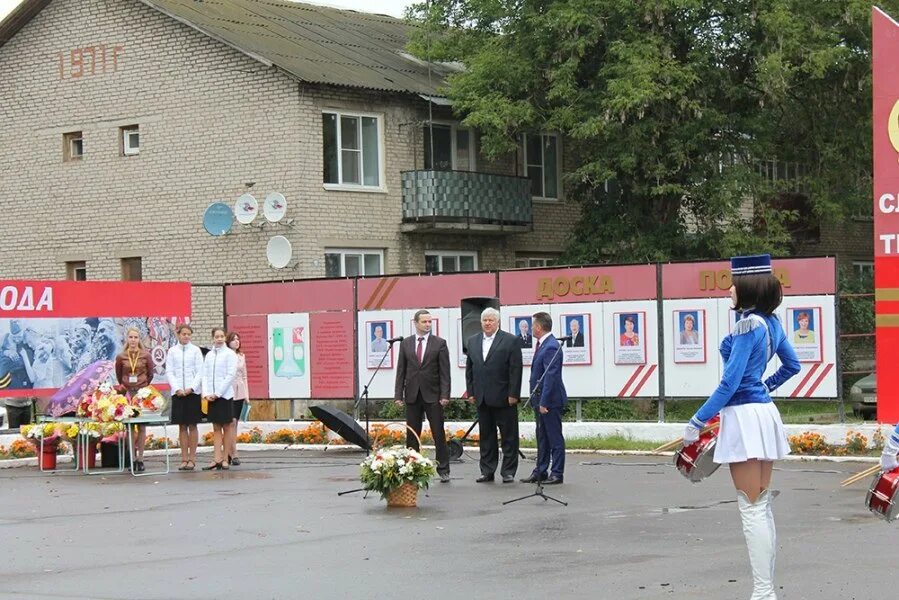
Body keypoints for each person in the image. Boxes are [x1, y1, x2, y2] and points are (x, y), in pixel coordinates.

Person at [682, 254, 800, 600]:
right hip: (762, 414)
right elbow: (793, 365)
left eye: (733, 282)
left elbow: (729, 383)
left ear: (746, 287)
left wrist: (697, 420)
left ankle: (763, 593)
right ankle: (765, 591)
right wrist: (763, 386)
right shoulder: (772, 323)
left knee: (751, 508)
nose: (729, 289)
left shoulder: (748, 326)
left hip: (745, 417)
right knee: (760, 505)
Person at [465, 307, 523, 483]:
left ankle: (508, 471)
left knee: (509, 436)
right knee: (486, 437)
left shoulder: (510, 341)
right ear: (481, 322)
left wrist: (514, 394)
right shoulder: (473, 341)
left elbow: (515, 369)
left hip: (504, 397)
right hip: (482, 397)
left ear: (498, 322)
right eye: (485, 320)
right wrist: (471, 392)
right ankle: (487, 470)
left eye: (491, 320)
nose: (488, 323)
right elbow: (470, 369)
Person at [394, 310, 452, 483]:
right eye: (424, 322)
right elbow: (401, 371)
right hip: (412, 394)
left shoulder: (439, 343)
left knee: (438, 433)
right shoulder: (406, 344)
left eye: (430, 322)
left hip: (433, 395)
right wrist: (398, 395)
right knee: (412, 434)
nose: (428, 324)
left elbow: (445, 372)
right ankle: (412, 467)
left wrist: (445, 395)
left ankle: (443, 469)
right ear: (416, 323)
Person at [521, 312, 567, 485]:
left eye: (533, 325)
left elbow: (551, 377)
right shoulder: (543, 344)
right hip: (540, 400)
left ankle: (557, 473)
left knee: (554, 437)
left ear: (539, 327)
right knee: (542, 437)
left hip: (549, 402)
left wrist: (544, 402)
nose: (532, 328)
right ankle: (540, 471)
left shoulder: (551, 346)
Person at [114, 327, 154, 472]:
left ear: (139, 339)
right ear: (127, 339)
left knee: (142, 427)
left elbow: (150, 374)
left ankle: (140, 459)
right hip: (127, 394)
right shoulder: (121, 357)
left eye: (136, 337)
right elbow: (119, 375)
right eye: (130, 337)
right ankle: (131, 457)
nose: (133, 340)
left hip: (141, 394)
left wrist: (142, 387)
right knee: (130, 427)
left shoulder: (146, 355)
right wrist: (125, 387)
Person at [165, 324, 204, 471]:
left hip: (192, 393)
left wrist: (191, 388)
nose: (186, 336)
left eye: (188, 334)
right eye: (183, 334)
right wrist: (177, 389)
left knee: (192, 425)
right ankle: (183, 458)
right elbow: (170, 372)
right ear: (178, 335)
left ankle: (192, 459)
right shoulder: (172, 351)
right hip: (178, 393)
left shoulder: (195, 351)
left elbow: (200, 371)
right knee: (182, 426)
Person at [201, 327, 237, 471]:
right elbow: (205, 375)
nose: (220, 339)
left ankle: (225, 458)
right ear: (213, 338)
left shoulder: (230, 354)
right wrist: (206, 393)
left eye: (222, 336)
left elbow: (230, 375)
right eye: (217, 336)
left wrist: (218, 393)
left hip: (224, 395)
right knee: (216, 427)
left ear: (225, 338)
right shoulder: (209, 355)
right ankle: (216, 459)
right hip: (211, 397)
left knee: (226, 427)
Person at [227, 331, 249, 466]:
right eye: (234, 339)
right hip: (228, 391)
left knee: (235, 423)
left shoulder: (241, 356)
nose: (236, 341)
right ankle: (231, 452)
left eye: (238, 339)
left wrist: (247, 395)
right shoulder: (226, 356)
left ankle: (233, 451)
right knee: (230, 422)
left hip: (239, 391)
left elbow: (245, 376)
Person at [1, 319, 35, 389]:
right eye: (14, 338)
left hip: (27, 380)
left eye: (19, 337)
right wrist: (5, 352)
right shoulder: (5, 338)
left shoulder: (29, 338)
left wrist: (50, 345)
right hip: (10, 382)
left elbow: (43, 342)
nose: (16, 340)